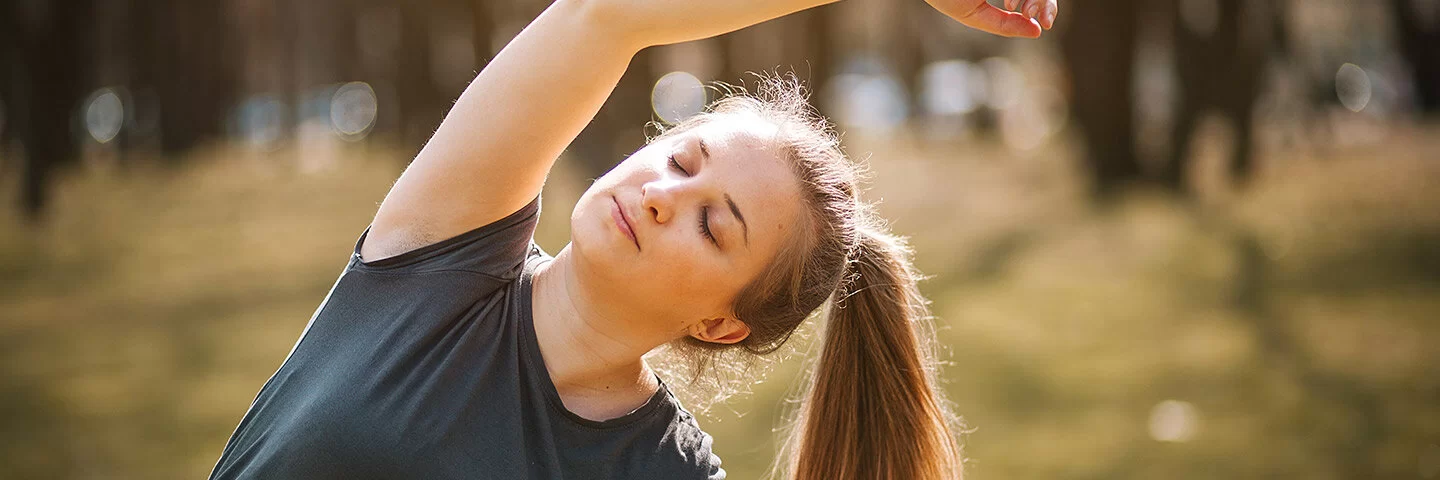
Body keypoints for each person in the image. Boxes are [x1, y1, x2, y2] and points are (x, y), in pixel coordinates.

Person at [208, 0, 1058, 478]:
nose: (661, 197)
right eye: (682, 159)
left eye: (711, 222)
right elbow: (600, 15)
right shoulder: (444, 254)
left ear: (724, 324)